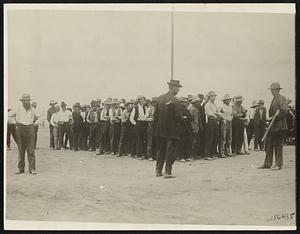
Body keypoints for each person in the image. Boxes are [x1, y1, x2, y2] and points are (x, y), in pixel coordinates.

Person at [154, 79, 183, 178]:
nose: (178, 90)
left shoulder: (159, 98)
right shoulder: (176, 100)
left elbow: (155, 116)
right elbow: (178, 117)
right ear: (173, 87)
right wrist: (184, 119)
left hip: (160, 129)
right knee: (171, 151)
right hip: (172, 130)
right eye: (178, 88)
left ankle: (158, 171)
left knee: (160, 150)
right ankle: (168, 172)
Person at [8, 94, 42, 174]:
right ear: (22, 101)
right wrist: (14, 122)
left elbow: (41, 116)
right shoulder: (18, 108)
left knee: (31, 150)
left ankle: (32, 169)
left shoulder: (32, 109)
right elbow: (7, 115)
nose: (27, 102)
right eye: (25, 100)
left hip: (30, 128)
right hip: (20, 128)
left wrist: (35, 123)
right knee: (21, 150)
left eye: (28, 100)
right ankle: (20, 169)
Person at [258, 82, 288, 171]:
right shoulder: (274, 99)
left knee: (278, 145)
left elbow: (283, 111)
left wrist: (274, 117)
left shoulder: (282, 98)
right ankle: (267, 163)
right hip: (273, 126)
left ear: (278, 90)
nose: (271, 91)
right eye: (271, 89)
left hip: (280, 126)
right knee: (269, 144)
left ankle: (278, 164)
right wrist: (271, 118)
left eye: (273, 89)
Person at [130, 95, 148, 159]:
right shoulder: (135, 108)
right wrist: (136, 123)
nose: (143, 100)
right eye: (141, 99)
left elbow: (146, 115)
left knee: (144, 139)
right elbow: (131, 118)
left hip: (144, 124)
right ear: (138, 100)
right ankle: (138, 155)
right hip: (138, 124)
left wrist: (145, 119)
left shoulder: (145, 108)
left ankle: (144, 154)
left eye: (143, 99)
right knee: (138, 140)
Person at [204, 91, 220, 160]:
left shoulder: (214, 105)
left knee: (214, 138)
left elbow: (218, 112)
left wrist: (217, 114)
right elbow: (210, 113)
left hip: (215, 121)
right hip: (210, 121)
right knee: (209, 138)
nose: (214, 97)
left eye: (214, 96)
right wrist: (216, 114)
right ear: (209, 97)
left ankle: (212, 154)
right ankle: (207, 155)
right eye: (213, 96)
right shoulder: (207, 104)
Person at [177, 97, 193, 162]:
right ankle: (181, 157)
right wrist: (186, 118)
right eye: (184, 102)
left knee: (188, 142)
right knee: (181, 143)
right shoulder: (178, 109)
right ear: (181, 103)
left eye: (186, 102)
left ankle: (187, 156)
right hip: (181, 128)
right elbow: (180, 118)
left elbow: (191, 118)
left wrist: (186, 118)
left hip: (187, 128)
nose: (185, 103)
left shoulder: (186, 110)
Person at [188, 96, 202, 160]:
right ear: (194, 102)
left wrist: (200, 126)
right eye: (198, 102)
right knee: (192, 142)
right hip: (193, 128)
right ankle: (190, 155)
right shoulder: (191, 109)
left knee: (195, 142)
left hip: (196, 127)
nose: (199, 103)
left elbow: (198, 119)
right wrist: (193, 128)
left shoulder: (196, 109)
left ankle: (194, 154)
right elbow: (191, 120)